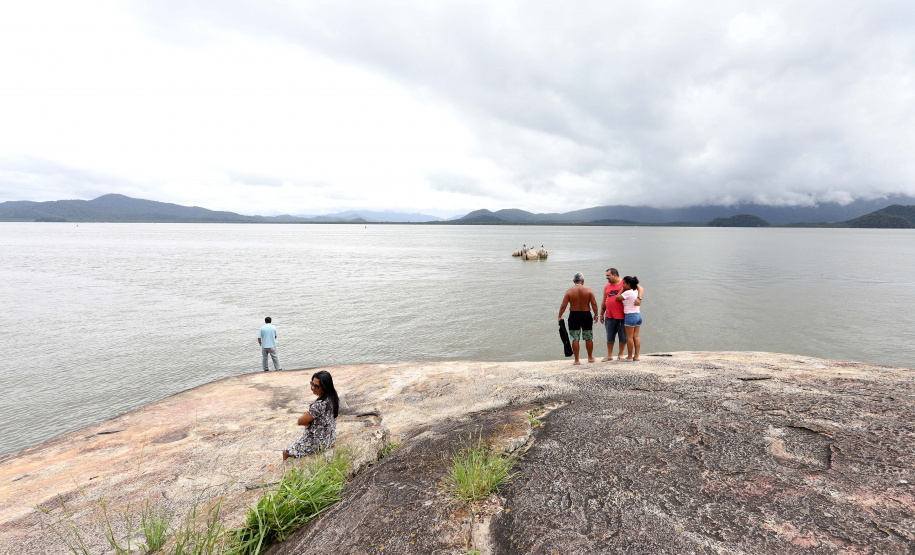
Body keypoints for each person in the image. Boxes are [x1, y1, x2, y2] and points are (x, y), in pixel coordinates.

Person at [283, 371, 339, 460]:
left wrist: (308, 421)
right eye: (312, 384)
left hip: (318, 443)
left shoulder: (319, 405)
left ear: (325, 387)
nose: (313, 387)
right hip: (329, 438)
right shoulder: (333, 398)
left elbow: (300, 421)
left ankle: (282, 472)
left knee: (286, 452)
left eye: (316, 386)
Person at [599, 268, 644, 361]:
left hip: (622, 316)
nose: (606, 277)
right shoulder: (607, 286)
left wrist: (639, 298)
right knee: (610, 336)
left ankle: (621, 355)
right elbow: (604, 300)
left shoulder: (625, 282)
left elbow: (640, 288)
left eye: (608, 275)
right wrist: (601, 314)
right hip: (609, 315)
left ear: (614, 275)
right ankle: (609, 355)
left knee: (623, 337)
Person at [558, 272, 599, 365]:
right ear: (583, 281)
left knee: (575, 338)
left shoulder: (569, 291)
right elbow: (594, 304)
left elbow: (563, 305)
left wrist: (559, 316)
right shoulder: (588, 290)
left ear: (574, 281)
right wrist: (596, 315)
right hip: (586, 315)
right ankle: (590, 358)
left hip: (574, 316)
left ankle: (577, 360)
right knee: (588, 338)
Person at [615, 276, 643, 361]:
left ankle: (630, 356)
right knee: (636, 336)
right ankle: (637, 356)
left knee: (629, 337)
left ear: (628, 284)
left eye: (623, 283)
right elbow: (640, 288)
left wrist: (622, 289)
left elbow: (617, 297)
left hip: (630, 316)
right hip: (638, 315)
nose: (622, 285)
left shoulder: (627, 293)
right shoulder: (636, 291)